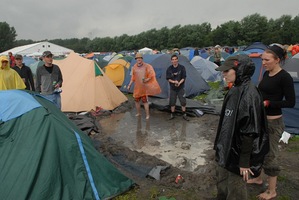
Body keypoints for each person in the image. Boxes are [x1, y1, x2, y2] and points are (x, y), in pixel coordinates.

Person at [214, 55, 269, 200]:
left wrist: (244, 162)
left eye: (227, 71)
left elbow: (250, 131)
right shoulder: (234, 89)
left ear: (239, 70)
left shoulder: (249, 94)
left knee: (236, 186)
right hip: (227, 147)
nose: (223, 74)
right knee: (222, 180)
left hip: (238, 153)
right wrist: (220, 146)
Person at [247, 44, 296, 200]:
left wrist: (269, 103)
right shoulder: (267, 74)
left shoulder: (285, 77)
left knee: (270, 155)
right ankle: (257, 178)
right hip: (262, 120)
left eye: (266, 60)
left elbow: (290, 102)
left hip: (274, 124)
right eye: (262, 60)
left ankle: (272, 190)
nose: (263, 63)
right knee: (258, 151)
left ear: (277, 60)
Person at [127, 53, 161, 120]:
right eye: (137, 58)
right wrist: (129, 85)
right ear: (136, 59)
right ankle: (139, 113)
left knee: (145, 102)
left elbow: (151, 75)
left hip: (144, 88)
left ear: (142, 59)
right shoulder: (134, 67)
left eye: (140, 58)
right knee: (136, 101)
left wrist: (147, 79)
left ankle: (147, 115)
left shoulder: (147, 66)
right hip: (137, 88)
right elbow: (132, 78)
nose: (138, 59)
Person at [166, 54, 188, 121]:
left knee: (183, 101)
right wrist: (174, 82)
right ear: (171, 61)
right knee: (172, 101)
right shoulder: (169, 69)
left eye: (175, 59)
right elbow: (168, 78)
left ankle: (184, 114)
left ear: (177, 60)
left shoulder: (182, 67)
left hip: (181, 87)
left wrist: (179, 83)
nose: (174, 61)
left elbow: (184, 77)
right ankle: (172, 114)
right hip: (173, 88)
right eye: (173, 60)